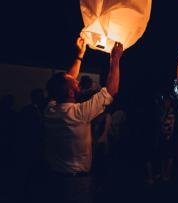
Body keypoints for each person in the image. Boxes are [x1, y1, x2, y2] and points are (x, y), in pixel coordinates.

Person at [44, 38, 123, 203]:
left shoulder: (50, 109)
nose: (78, 81)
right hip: (76, 182)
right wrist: (115, 60)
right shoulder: (78, 114)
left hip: (54, 177)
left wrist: (79, 56)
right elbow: (111, 91)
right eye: (76, 83)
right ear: (71, 92)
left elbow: (65, 81)